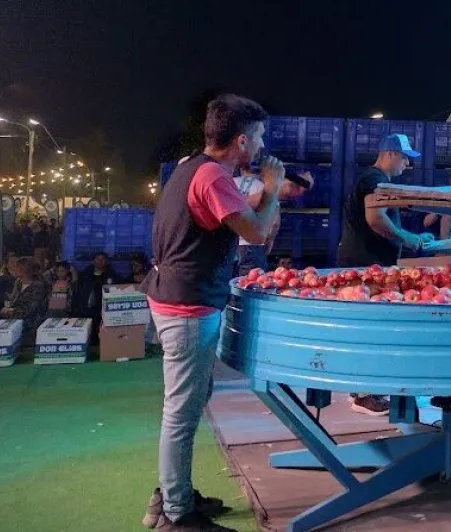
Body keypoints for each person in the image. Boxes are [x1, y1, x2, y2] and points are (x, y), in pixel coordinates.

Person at [139, 94, 285, 532]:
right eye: (258, 136)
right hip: (187, 305)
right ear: (241, 140)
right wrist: (273, 190)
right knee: (182, 410)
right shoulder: (213, 178)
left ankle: (172, 491)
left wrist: (264, 195)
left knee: (191, 401)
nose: (261, 145)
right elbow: (256, 234)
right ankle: (175, 515)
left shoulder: (192, 167)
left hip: (177, 296)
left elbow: (240, 221)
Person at [336, 134, 434, 416]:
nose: (407, 164)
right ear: (390, 153)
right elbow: (375, 219)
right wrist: (407, 237)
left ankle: (363, 389)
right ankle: (364, 394)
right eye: (405, 158)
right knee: (367, 330)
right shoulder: (374, 180)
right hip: (366, 265)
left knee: (365, 329)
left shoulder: (375, 180)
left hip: (367, 263)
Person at [234, 165, 311, 276]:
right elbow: (273, 222)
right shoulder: (266, 189)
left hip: (228, 245)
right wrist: (269, 240)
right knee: (250, 286)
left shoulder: (231, 183)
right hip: (253, 246)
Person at [71, 252, 120, 344]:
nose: (100, 261)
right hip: (85, 309)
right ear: (93, 260)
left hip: (102, 310)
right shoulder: (86, 274)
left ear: (106, 261)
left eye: (102, 259)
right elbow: (77, 290)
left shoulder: (111, 275)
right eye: (97, 259)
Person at [0, 256, 48, 343]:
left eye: (16, 267)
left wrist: (11, 311)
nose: (13, 268)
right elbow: (13, 301)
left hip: (30, 323)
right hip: (14, 319)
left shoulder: (38, 286)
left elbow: (29, 310)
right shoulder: (18, 282)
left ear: (24, 269)